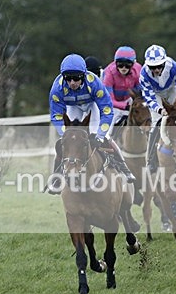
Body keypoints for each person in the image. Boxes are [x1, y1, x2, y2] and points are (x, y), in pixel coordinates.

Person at [47, 53, 136, 194]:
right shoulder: (57, 89)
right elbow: (56, 116)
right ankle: (56, 177)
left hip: (92, 105)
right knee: (66, 140)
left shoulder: (94, 83)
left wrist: (100, 135)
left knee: (104, 137)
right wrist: (65, 134)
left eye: (76, 78)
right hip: (73, 107)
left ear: (83, 75)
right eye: (68, 79)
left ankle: (124, 168)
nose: (72, 82)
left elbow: (107, 112)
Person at [139, 44, 176, 172]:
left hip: (172, 90)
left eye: (159, 66)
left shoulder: (174, 67)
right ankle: (151, 159)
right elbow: (149, 97)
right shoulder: (144, 74)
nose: (156, 70)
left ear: (164, 63)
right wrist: (160, 110)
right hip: (156, 94)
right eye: (152, 67)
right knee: (156, 122)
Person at [102, 46, 142, 136]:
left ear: (133, 64)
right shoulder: (109, 73)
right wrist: (125, 106)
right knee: (110, 122)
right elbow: (108, 100)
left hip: (129, 100)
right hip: (112, 105)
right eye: (120, 64)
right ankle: (106, 139)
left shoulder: (138, 70)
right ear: (115, 63)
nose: (123, 68)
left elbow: (140, 93)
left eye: (127, 65)